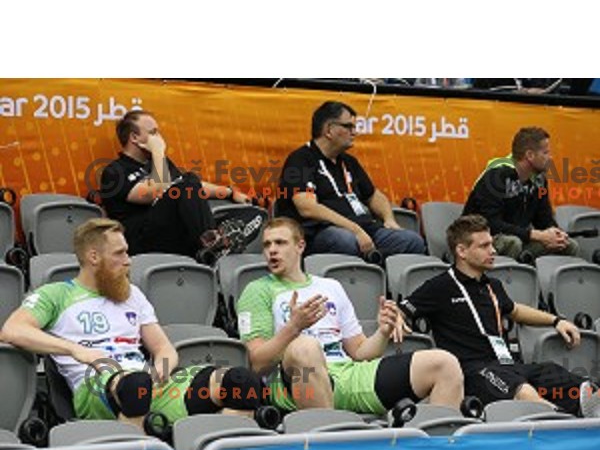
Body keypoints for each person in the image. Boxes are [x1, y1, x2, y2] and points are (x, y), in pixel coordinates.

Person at [0, 218, 276, 430]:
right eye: (119, 254)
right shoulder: (56, 294)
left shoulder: (132, 294)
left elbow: (164, 349)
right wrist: (75, 350)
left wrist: (163, 369)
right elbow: (12, 330)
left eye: (127, 253)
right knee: (135, 388)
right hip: (97, 387)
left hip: (148, 383)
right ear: (94, 257)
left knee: (242, 384)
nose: (128, 261)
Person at [236, 217, 464, 417]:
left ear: (300, 246)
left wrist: (383, 332)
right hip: (296, 382)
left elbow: (360, 351)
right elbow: (256, 363)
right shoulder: (256, 291)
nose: (271, 250)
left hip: (346, 374)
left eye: (280, 243)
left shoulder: (330, 286)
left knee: (445, 363)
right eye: (266, 245)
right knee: (305, 347)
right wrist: (294, 327)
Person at [398, 214, 599, 417]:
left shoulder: (492, 286)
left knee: (559, 376)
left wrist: (556, 320)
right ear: (461, 251)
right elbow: (402, 310)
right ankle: (563, 423)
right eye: (484, 246)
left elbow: (515, 311)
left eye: (492, 244)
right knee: (524, 391)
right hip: (472, 373)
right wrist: (397, 320)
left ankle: (585, 410)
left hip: (507, 365)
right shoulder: (439, 287)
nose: (493, 250)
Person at [276, 101, 425, 260]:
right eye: (349, 127)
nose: (355, 132)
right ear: (329, 130)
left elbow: (374, 195)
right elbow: (307, 207)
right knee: (345, 240)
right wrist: (355, 229)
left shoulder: (349, 162)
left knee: (412, 241)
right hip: (323, 233)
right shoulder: (300, 160)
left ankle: (374, 265)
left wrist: (389, 219)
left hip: (364, 230)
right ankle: (370, 263)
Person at [100, 110, 253, 261]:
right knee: (187, 182)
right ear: (134, 137)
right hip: (142, 241)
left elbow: (194, 188)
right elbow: (155, 192)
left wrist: (230, 193)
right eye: (153, 133)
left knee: (250, 214)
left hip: (175, 234)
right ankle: (213, 245)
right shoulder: (115, 172)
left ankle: (217, 244)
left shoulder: (160, 164)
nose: (159, 138)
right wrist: (158, 151)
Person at [463, 127, 579, 261]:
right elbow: (492, 223)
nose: (550, 157)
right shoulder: (496, 176)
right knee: (512, 244)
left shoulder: (540, 180)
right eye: (546, 153)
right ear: (530, 155)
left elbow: (544, 218)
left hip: (519, 238)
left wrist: (556, 234)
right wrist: (534, 235)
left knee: (568, 246)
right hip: (478, 240)